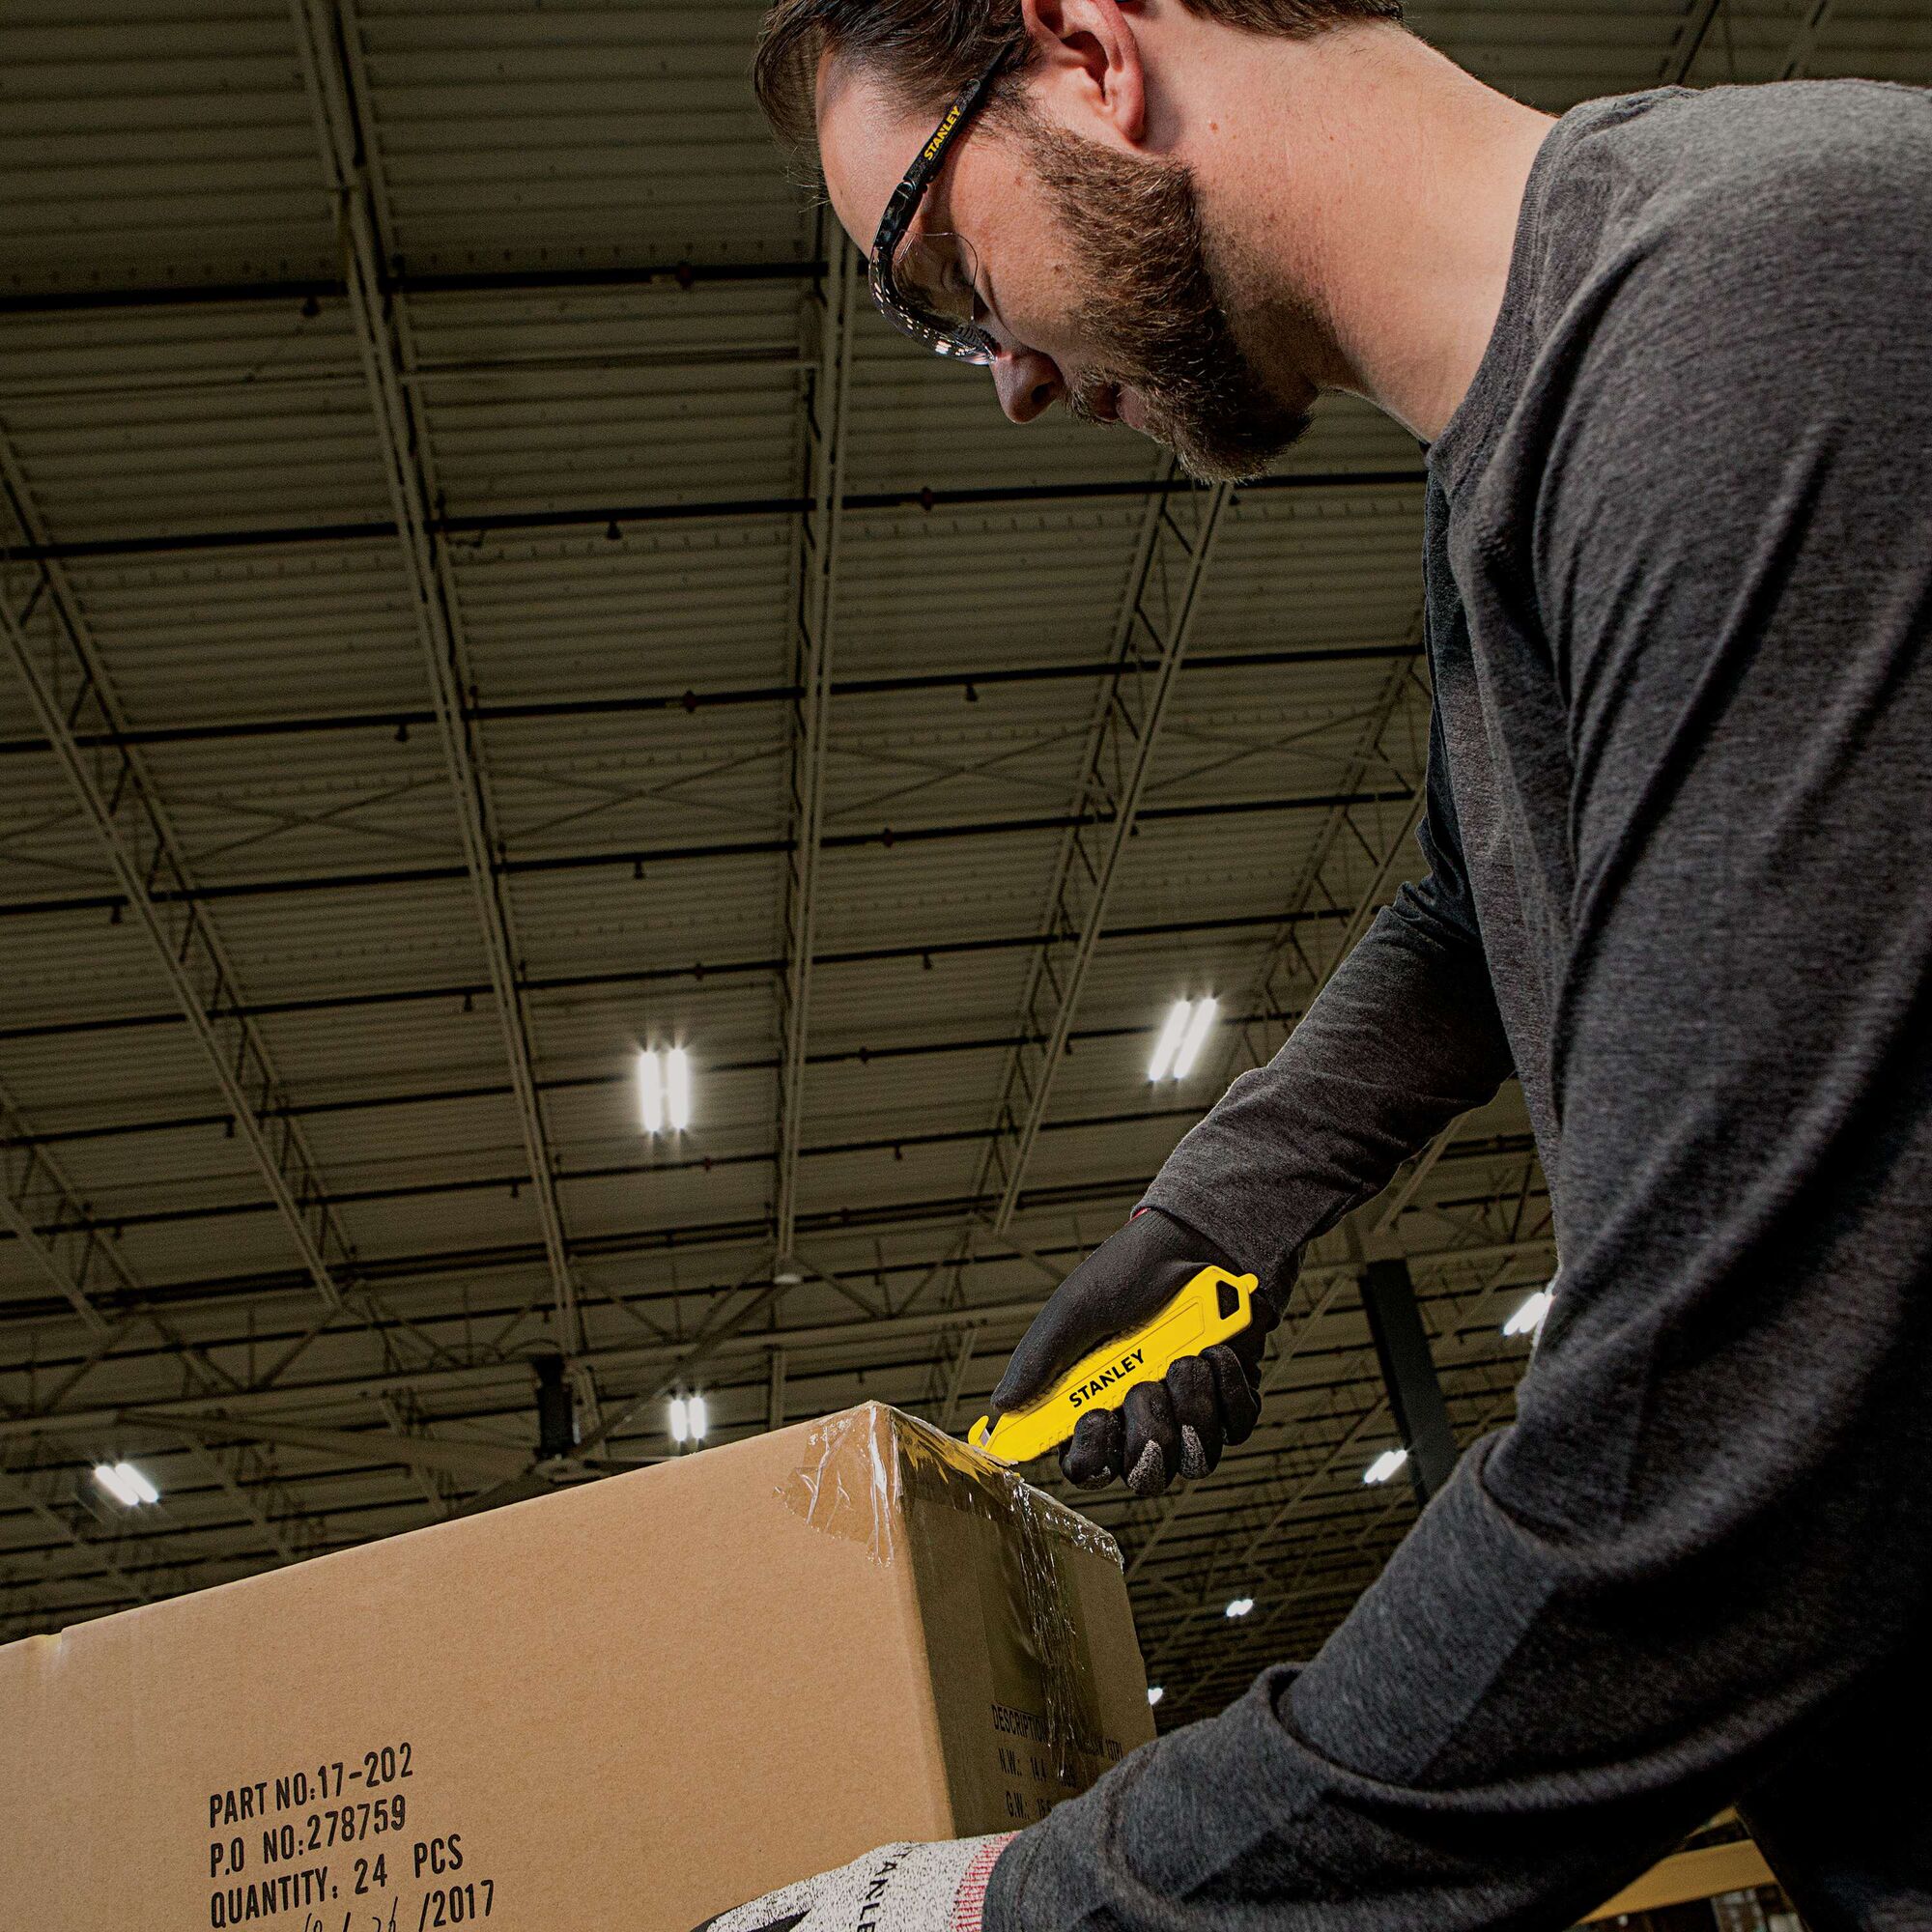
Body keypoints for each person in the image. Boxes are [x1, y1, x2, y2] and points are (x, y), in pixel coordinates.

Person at [701, 2, 1932, 1926]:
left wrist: (1008, 1909)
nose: (1000, 378)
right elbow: (1471, 900)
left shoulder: (1757, 314)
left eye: (943, 275)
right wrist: (1227, 1210)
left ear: (1086, 50)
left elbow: (1703, 1475)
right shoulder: (1523, 454)